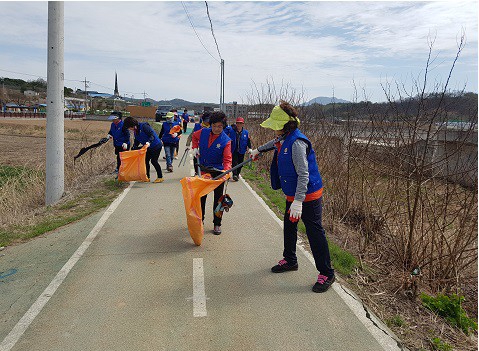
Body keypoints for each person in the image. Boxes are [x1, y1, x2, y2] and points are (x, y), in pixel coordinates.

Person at [249, 100, 335, 293]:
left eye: (275, 126)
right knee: (289, 227)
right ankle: (290, 260)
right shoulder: (284, 137)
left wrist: (298, 201)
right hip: (293, 194)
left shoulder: (296, 143)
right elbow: (274, 143)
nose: (273, 131)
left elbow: (304, 174)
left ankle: (327, 273)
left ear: (283, 126)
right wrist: (258, 150)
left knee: (314, 232)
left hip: (308, 196)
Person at [191, 111, 232, 235]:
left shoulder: (226, 140)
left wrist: (225, 171)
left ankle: (217, 224)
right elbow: (194, 137)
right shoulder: (203, 132)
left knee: (219, 200)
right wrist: (195, 148)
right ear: (211, 125)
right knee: (201, 197)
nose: (216, 129)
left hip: (218, 172)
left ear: (223, 126)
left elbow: (227, 159)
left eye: (219, 126)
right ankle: (200, 221)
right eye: (214, 126)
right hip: (203, 170)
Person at [122, 116, 164, 183]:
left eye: (129, 127)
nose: (130, 129)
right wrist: (134, 147)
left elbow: (152, 135)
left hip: (156, 145)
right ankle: (147, 177)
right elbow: (137, 140)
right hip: (148, 147)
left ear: (133, 125)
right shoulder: (135, 131)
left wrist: (149, 142)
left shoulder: (144, 126)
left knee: (154, 161)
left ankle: (160, 177)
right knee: (146, 161)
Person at [231, 117, 251, 182]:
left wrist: (250, 148)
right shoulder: (232, 131)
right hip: (234, 150)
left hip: (242, 150)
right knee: (234, 163)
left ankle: (237, 174)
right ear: (236, 124)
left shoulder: (246, 132)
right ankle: (234, 175)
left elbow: (248, 141)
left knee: (240, 164)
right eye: (238, 123)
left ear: (243, 124)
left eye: (240, 123)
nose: (239, 125)